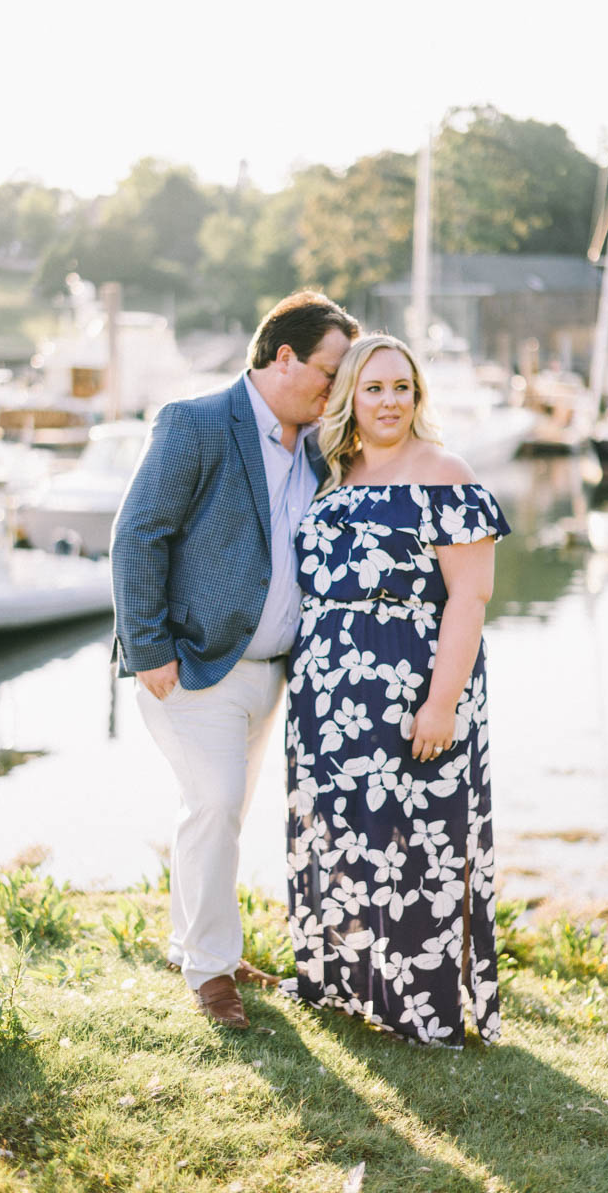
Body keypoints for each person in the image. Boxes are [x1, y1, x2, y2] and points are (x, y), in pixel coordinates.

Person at [110, 290, 359, 1029]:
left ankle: (193, 940)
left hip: (271, 673)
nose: (336, 391)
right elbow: (137, 535)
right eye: (331, 372)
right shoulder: (196, 423)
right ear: (283, 358)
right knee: (216, 802)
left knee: (221, 810)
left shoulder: (314, 444)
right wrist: (150, 650)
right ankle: (212, 975)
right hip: (190, 665)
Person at [282, 334, 510, 1046]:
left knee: (414, 850)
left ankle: (419, 1008)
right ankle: (345, 986)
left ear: (418, 396)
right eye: (374, 387)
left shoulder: (446, 473)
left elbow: (469, 599)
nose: (389, 401)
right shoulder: (329, 475)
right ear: (350, 393)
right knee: (343, 839)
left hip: (414, 685)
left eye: (402, 387)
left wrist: (440, 703)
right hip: (326, 693)